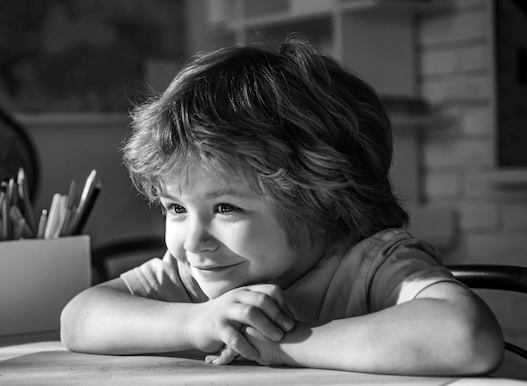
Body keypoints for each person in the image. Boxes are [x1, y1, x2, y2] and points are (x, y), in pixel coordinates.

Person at [60, 36, 504, 375]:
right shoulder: (197, 279)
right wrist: (195, 323)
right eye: (175, 208)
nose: (192, 241)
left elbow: (466, 335)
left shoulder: (369, 264)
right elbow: (78, 319)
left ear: (319, 199)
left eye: (226, 208)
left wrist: (281, 345)